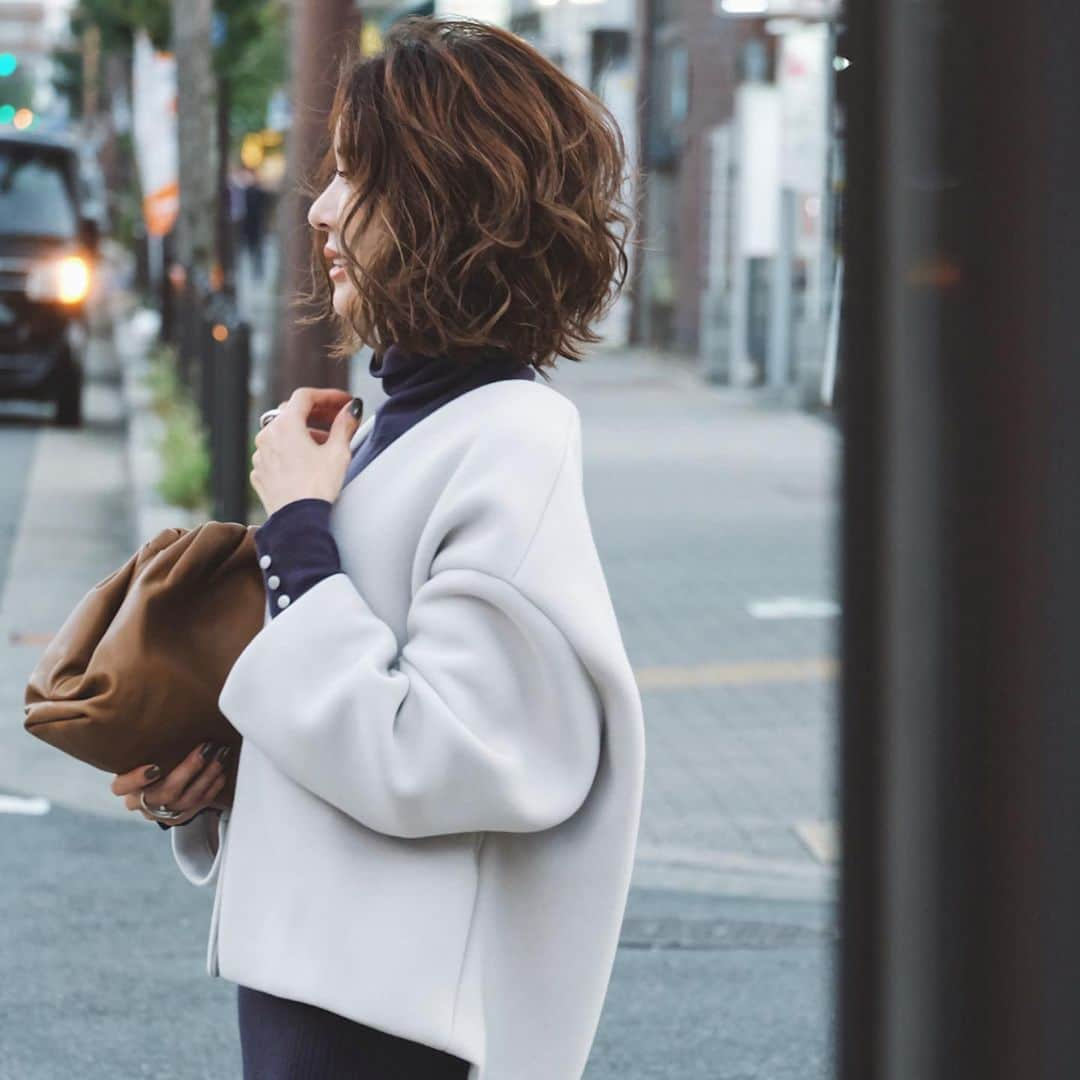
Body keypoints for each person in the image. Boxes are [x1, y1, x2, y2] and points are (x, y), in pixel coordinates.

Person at [109, 15, 645, 1079]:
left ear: (441, 207)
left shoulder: (512, 442)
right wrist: (222, 784)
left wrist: (302, 529)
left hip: (391, 1035)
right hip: (327, 998)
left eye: (353, 178)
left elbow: (445, 757)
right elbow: (368, 715)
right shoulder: (410, 423)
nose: (317, 211)